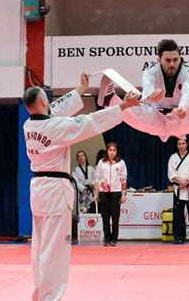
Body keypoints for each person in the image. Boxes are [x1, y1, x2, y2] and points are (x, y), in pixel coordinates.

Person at [23, 73, 139, 301]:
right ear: (43, 102)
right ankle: (50, 298)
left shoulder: (29, 125)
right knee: (55, 251)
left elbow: (54, 109)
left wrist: (80, 89)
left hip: (38, 190)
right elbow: (90, 122)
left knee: (39, 248)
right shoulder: (56, 127)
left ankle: (39, 294)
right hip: (56, 191)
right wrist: (124, 106)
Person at [98, 39, 189, 142]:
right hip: (158, 119)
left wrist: (183, 108)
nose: (172, 64)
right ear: (158, 60)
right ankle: (110, 100)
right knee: (134, 110)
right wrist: (150, 95)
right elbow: (147, 88)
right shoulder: (150, 71)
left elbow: (187, 92)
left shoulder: (188, 72)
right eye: (168, 60)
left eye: (175, 59)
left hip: (182, 120)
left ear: (180, 58)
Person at [167, 138, 189, 244]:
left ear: (186, 144)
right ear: (177, 145)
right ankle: (179, 237)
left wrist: (185, 183)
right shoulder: (173, 157)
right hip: (178, 189)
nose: (181, 145)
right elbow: (171, 174)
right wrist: (181, 182)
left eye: (183, 143)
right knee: (178, 214)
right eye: (179, 143)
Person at [94, 142, 127, 246]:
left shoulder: (121, 163)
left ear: (116, 151)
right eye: (110, 150)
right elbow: (97, 179)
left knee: (115, 216)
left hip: (116, 192)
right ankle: (106, 238)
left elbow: (123, 179)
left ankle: (114, 238)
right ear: (107, 151)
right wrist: (96, 193)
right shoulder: (101, 162)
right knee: (105, 216)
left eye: (114, 150)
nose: (112, 152)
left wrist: (123, 194)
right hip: (104, 192)